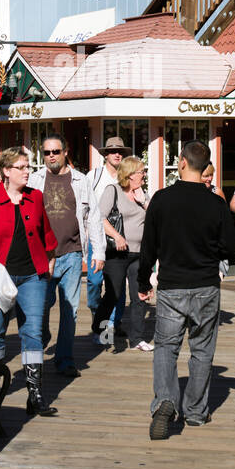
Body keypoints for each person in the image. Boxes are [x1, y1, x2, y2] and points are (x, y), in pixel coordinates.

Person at [138, 140, 235, 439]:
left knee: (166, 348)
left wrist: (143, 282)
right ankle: (195, 412)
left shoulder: (161, 199)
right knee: (202, 350)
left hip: (171, 286)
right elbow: (230, 248)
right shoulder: (216, 203)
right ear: (204, 166)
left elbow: (148, 247)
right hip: (206, 284)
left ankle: (166, 401)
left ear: (182, 162)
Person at [0, 147, 58, 416]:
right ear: (6, 171)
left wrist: (49, 262)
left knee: (33, 333)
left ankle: (35, 392)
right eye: (22, 167)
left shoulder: (35, 198)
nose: (28, 171)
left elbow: (47, 234)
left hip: (32, 276)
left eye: (29, 166)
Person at [29, 135, 105, 377]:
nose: (51, 155)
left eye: (56, 151)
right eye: (47, 152)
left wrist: (99, 251)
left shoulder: (81, 180)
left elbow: (93, 217)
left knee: (69, 309)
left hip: (72, 253)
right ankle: (41, 341)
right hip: (42, 256)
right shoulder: (35, 179)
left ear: (65, 151)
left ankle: (64, 359)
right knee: (41, 306)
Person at [93, 155, 150, 351]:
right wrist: (117, 236)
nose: (144, 175)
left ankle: (137, 339)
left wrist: (144, 202)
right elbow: (99, 218)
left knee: (139, 296)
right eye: (141, 171)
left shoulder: (143, 194)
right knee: (113, 294)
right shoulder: (113, 191)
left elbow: (154, 220)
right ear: (130, 174)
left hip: (139, 254)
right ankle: (102, 334)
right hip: (117, 254)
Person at [85, 136, 126, 335]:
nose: (117, 154)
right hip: (97, 236)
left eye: (120, 151)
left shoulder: (126, 177)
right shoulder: (94, 176)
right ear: (105, 155)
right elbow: (83, 203)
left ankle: (112, 326)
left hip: (120, 237)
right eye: (112, 151)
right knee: (94, 281)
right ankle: (97, 311)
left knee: (117, 284)